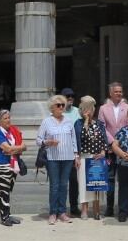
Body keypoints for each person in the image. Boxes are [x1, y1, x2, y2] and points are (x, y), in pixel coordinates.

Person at [37, 95, 77, 225]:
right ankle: (53, 212)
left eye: (63, 105)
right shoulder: (46, 121)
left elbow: (74, 140)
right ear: (52, 107)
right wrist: (47, 142)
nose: (61, 107)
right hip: (52, 158)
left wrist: (76, 155)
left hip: (68, 157)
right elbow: (38, 140)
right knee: (54, 186)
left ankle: (62, 212)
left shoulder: (69, 121)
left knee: (64, 185)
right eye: (58, 105)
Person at [74, 96, 108, 221]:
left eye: (91, 108)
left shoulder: (99, 124)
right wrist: (86, 121)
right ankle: (84, 210)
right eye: (86, 108)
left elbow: (104, 139)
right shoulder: (78, 124)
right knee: (83, 185)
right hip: (84, 157)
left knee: (97, 185)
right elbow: (80, 137)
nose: (89, 111)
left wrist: (104, 152)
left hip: (97, 157)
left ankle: (97, 210)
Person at [99, 83, 128, 217]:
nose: (119, 93)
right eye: (116, 92)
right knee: (110, 179)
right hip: (110, 150)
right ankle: (110, 207)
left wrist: (120, 143)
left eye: (120, 91)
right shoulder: (103, 108)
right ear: (110, 93)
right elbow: (102, 127)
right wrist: (112, 142)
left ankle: (124, 207)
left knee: (124, 179)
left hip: (124, 149)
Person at [0, 110, 24, 227]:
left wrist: (15, 148)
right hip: (1, 164)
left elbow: (21, 147)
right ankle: (4, 217)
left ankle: (8, 214)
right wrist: (18, 148)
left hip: (12, 163)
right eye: (5, 118)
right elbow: (7, 149)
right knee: (3, 192)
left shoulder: (12, 131)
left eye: (9, 117)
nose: (8, 120)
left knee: (8, 191)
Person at [60, 88, 81, 216]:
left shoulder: (77, 111)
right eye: (67, 96)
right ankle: (59, 208)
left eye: (72, 96)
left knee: (74, 181)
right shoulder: (57, 111)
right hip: (60, 151)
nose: (70, 98)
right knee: (61, 183)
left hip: (73, 151)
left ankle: (74, 206)